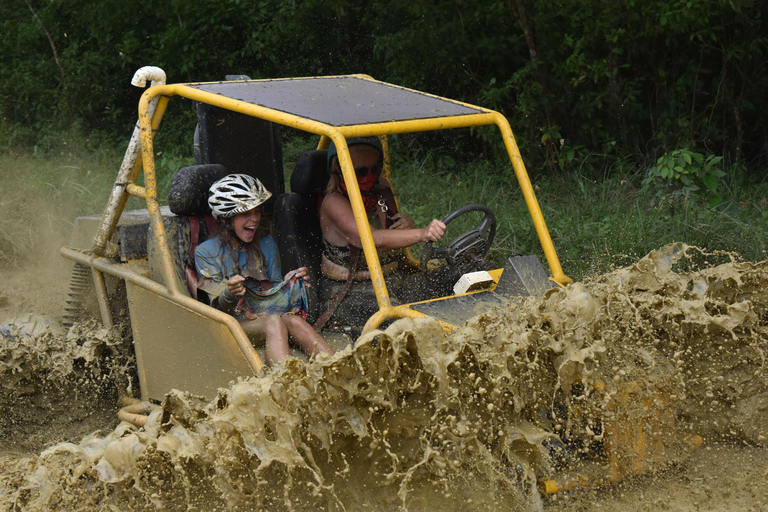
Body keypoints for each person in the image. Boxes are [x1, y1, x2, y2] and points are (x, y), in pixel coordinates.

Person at [195, 174, 334, 365]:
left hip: (265, 314)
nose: (254, 220)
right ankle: (286, 382)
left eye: (257, 212)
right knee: (274, 322)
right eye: (245, 214)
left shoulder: (267, 244)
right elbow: (212, 310)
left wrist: (287, 286)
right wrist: (229, 292)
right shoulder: (205, 252)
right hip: (229, 325)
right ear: (226, 219)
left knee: (293, 321)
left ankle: (338, 367)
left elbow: (274, 301)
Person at [319, 137, 461, 305]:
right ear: (339, 169)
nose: (370, 177)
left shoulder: (380, 189)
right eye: (361, 172)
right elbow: (372, 240)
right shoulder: (334, 203)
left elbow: (391, 230)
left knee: (461, 276)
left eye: (375, 169)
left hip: (392, 280)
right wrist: (422, 233)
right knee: (403, 320)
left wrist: (408, 223)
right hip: (350, 292)